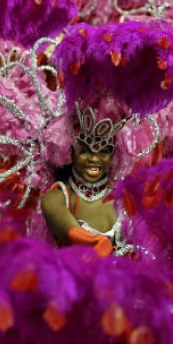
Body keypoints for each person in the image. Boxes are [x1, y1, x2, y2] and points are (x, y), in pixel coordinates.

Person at [41, 106, 124, 257]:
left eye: (103, 152)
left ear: (112, 156)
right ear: (70, 153)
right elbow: (73, 234)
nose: (93, 159)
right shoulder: (57, 198)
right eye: (85, 151)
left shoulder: (124, 199)